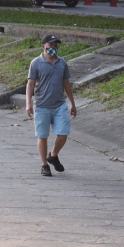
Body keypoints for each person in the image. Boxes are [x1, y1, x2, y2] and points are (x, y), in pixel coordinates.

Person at [25, 34, 77, 177]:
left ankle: (53, 155)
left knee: (63, 133)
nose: (53, 48)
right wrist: (28, 103)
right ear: (43, 46)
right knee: (42, 135)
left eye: (55, 45)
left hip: (59, 105)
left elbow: (66, 83)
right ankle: (44, 165)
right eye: (50, 45)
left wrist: (72, 103)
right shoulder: (36, 63)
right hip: (42, 105)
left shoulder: (62, 63)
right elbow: (30, 84)